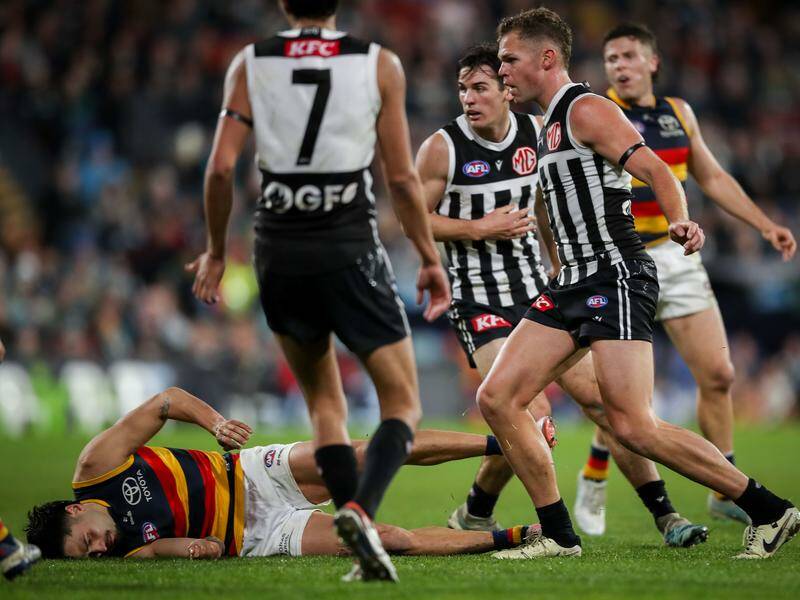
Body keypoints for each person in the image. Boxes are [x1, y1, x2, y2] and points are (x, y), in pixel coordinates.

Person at [476, 7, 798, 560]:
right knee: (498, 396)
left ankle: (771, 510)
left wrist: (679, 218)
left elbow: (653, 168)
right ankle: (558, 534)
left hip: (615, 274)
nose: (501, 69)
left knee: (633, 425)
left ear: (546, 58)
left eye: (509, 58)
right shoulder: (550, 121)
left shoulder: (586, 108)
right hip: (570, 282)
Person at [183, 0, 450, 582]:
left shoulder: (251, 62)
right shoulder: (378, 62)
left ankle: (364, 550)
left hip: (277, 248)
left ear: (282, 4)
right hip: (347, 243)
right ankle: (359, 509)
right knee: (402, 403)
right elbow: (402, 177)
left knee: (325, 406)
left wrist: (213, 249)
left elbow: (221, 169)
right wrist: (430, 258)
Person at [418, 44, 707, 548]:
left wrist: (562, 266)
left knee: (601, 402)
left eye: (481, 86)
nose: (469, 98)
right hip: (480, 299)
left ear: (506, 91)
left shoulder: (540, 132)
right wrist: (477, 227)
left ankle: (666, 515)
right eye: (462, 88)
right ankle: (535, 525)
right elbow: (413, 219)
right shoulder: (443, 147)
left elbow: (556, 208)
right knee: (527, 412)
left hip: (541, 291)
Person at [572, 22, 798, 535]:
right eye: (611, 59)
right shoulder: (594, 114)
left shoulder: (679, 114)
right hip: (621, 260)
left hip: (677, 256)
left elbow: (711, 176)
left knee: (719, 377)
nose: (620, 66)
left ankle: (724, 489)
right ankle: (595, 471)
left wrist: (764, 224)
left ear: (652, 62)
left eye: (629, 56)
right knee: (627, 399)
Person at [25, 386, 537, 574]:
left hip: (251, 475)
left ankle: (503, 441)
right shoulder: (122, 551)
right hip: (256, 538)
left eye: (86, 540)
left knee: (364, 453)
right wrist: (194, 550)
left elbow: (166, 401)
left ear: (76, 509)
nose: (98, 549)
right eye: (88, 556)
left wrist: (214, 424)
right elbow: (174, 549)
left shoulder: (97, 467)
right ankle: (514, 536)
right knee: (389, 541)